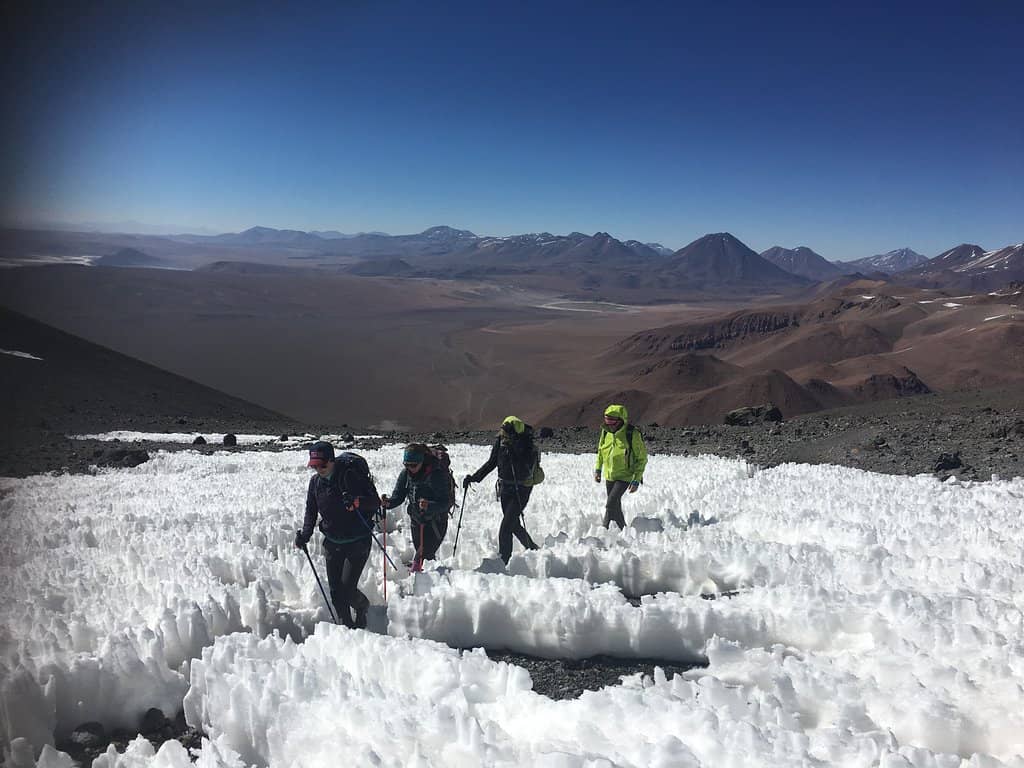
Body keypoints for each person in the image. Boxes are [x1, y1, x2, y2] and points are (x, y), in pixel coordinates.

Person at [294, 441, 380, 628]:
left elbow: (374, 502)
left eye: (322, 465)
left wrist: (357, 502)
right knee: (335, 591)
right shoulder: (315, 483)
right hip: (332, 542)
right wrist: (305, 534)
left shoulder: (350, 477)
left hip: (357, 541)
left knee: (348, 590)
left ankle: (362, 606)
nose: (319, 469)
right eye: (314, 466)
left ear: (332, 461)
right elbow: (311, 510)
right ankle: (346, 626)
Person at [463, 416, 540, 565]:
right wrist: (474, 477)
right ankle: (532, 548)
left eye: (506, 431)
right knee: (513, 524)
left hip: (521, 489)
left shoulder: (526, 443)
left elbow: (525, 467)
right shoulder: (501, 442)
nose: (503, 433)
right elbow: (492, 463)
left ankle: (503, 561)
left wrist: (514, 447)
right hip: (505, 488)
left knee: (506, 527)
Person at [380, 443, 451, 571]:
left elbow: (446, 502)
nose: (409, 468)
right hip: (416, 521)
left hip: (436, 523)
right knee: (422, 556)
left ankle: (425, 583)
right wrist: (388, 503)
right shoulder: (406, 474)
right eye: (406, 465)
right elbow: (399, 496)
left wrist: (429, 505)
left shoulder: (436, 475)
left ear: (422, 461)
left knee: (424, 556)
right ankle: (425, 582)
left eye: (413, 465)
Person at [594, 404, 648, 530]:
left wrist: (636, 479)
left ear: (621, 420)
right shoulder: (605, 432)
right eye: (607, 420)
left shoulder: (632, 434)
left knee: (610, 504)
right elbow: (601, 451)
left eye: (612, 421)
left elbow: (642, 459)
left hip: (625, 476)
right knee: (615, 505)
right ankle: (623, 529)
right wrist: (598, 469)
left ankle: (605, 529)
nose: (609, 424)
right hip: (610, 475)